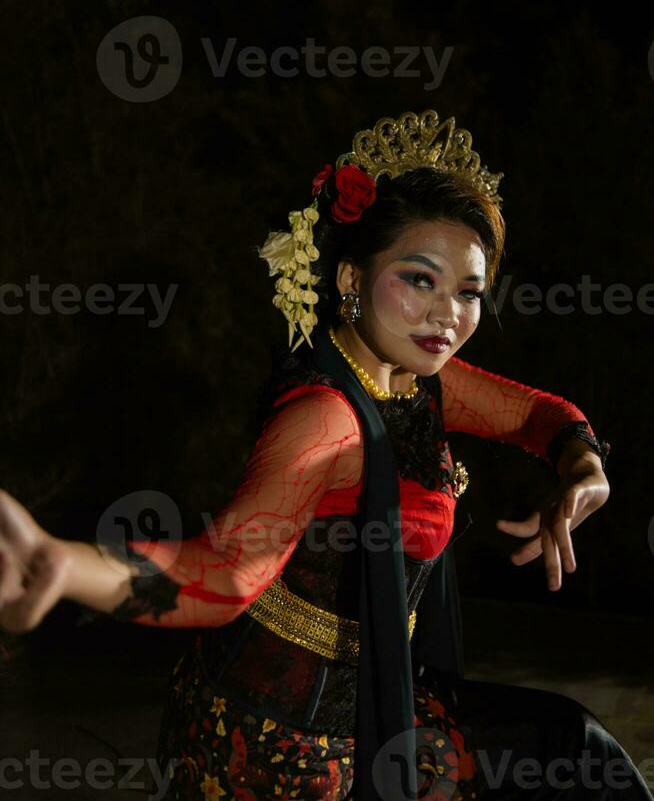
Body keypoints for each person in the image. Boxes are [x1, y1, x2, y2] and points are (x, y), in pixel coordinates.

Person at [0, 108, 650, 800]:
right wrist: (66, 566)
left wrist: (582, 468)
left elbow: (544, 415)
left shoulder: (422, 380)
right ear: (349, 280)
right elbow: (223, 574)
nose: (447, 315)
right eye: (419, 280)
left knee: (573, 747)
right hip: (282, 752)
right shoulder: (326, 419)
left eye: (468, 292)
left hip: (379, 707)